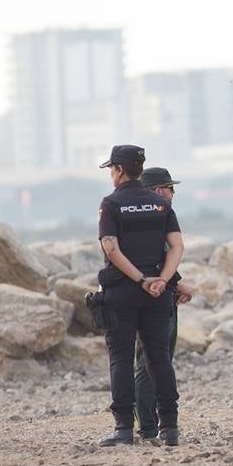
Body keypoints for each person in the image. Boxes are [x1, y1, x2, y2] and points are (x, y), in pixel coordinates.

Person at [95, 145, 184, 447]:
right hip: (158, 295)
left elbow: (110, 247)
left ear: (119, 170)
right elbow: (177, 247)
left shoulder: (111, 204)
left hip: (122, 292)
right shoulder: (160, 204)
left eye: (111, 169)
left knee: (121, 358)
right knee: (159, 358)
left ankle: (123, 429)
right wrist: (162, 280)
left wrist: (140, 280)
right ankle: (169, 427)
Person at [132, 166, 194, 441]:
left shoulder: (128, 212)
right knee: (153, 361)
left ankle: (148, 422)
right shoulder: (160, 213)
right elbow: (162, 254)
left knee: (150, 360)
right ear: (158, 190)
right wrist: (172, 282)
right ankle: (149, 424)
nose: (172, 194)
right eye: (170, 188)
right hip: (155, 294)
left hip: (149, 289)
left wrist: (174, 282)